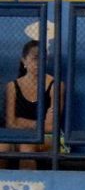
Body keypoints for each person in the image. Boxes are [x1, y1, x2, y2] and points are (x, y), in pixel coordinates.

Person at [4, 40, 64, 170]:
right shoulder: (12, 87)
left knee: (26, 146)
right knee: (2, 147)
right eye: (34, 59)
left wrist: (21, 121)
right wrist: (39, 123)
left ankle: (29, 189)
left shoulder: (56, 85)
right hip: (17, 136)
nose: (37, 64)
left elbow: (51, 127)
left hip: (49, 138)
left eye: (42, 59)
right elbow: (10, 124)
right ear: (24, 61)